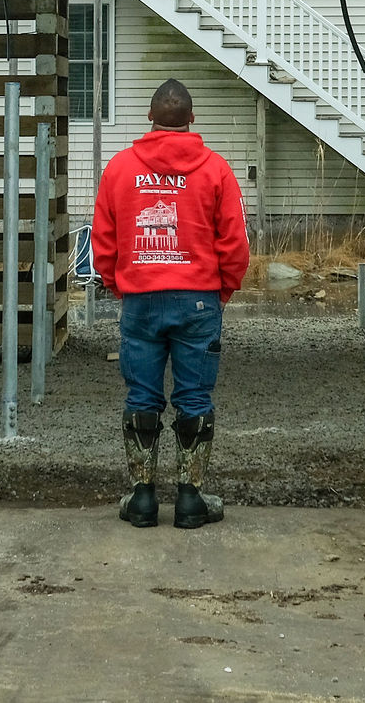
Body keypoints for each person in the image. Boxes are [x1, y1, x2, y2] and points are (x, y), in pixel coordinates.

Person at [91, 78, 250, 529]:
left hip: (140, 296)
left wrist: (117, 282)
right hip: (198, 299)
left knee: (141, 394)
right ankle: (190, 499)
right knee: (194, 395)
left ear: (149, 118)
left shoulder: (120, 169)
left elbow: (103, 237)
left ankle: (142, 499)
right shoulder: (216, 170)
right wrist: (223, 290)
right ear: (192, 121)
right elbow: (235, 243)